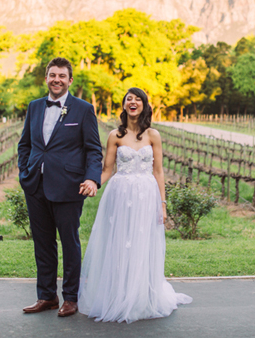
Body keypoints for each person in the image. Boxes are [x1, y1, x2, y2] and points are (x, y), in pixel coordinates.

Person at [78, 87, 192, 323]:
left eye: (137, 99)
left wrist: (162, 204)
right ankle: (118, 296)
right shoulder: (114, 136)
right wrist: (92, 184)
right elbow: (107, 170)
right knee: (120, 243)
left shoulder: (153, 135)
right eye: (129, 99)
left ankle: (141, 297)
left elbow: (158, 171)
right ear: (124, 106)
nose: (133, 102)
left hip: (147, 195)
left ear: (144, 105)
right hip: (120, 195)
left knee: (143, 244)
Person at [17, 57, 103, 317]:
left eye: (62, 76)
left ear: (70, 80)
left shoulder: (84, 109)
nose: (56, 79)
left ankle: (71, 298)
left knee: (69, 243)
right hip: (36, 186)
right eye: (52, 75)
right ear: (46, 78)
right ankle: (46, 296)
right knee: (42, 244)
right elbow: (25, 144)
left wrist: (92, 178)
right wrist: (25, 173)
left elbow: (93, 149)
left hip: (69, 187)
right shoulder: (33, 107)